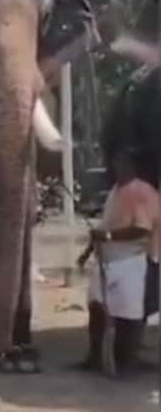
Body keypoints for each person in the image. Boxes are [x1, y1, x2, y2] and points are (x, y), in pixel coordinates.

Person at [76, 150, 161, 375]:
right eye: (115, 162)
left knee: (129, 315)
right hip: (106, 259)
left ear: (132, 165)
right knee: (96, 307)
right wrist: (87, 253)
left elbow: (142, 229)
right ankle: (94, 357)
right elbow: (104, 227)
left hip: (132, 260)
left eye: (121, 162)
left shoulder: (141, 191)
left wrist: (110, 237)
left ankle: (126, 361)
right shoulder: (115, 190)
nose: (116, 167)